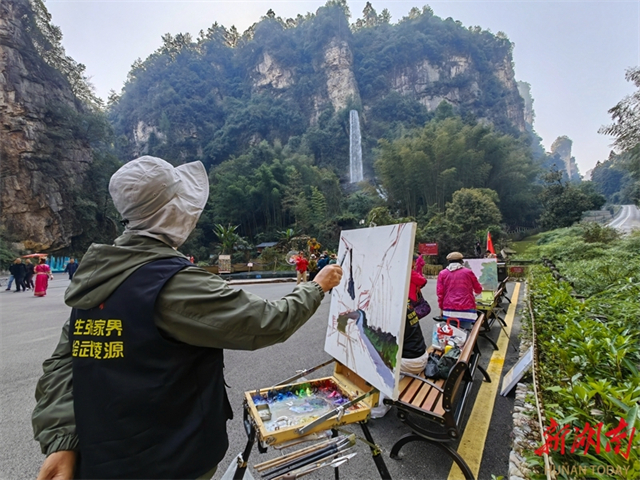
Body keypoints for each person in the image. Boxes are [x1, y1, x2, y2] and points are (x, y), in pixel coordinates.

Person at [32, 156, 343, 480]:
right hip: (170, 460)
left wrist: (62, 442)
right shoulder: (175, 283)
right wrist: (317, 286)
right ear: (173, 212)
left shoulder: (100, 274)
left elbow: (63, 364)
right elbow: (269, 320)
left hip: (105, 459)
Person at [436, 252, 482, 329]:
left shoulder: (442, 273)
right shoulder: (468, 272)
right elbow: (478, 289)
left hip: (449, 310)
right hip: (466, 310)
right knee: (465, 333)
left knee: (451, 335)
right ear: (461, 261)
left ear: (448, 262)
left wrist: (441, 308)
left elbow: (440, 293)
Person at [401, 255, 429, 374]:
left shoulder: (406, 272)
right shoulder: (406, 307)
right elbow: (422, 281)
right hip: (420, 355)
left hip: (411, 362)